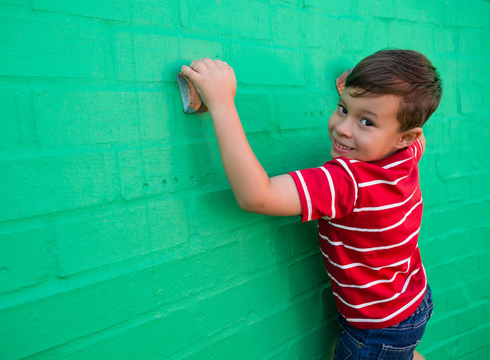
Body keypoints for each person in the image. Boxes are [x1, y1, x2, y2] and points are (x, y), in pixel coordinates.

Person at [180, 49, 442, 360]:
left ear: (402, 137)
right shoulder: (407, 153)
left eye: (367, 122)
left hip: (376, 328)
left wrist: (222, 104)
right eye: (343, 109)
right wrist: (367, 98)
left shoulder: (347, 182)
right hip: (412, 301)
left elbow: (256, 196)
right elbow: (417, 133)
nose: (343, 128)